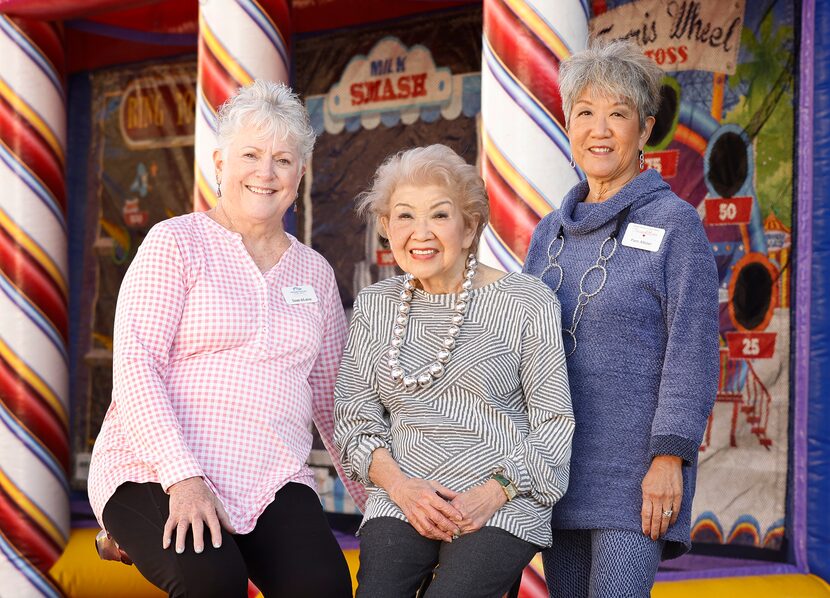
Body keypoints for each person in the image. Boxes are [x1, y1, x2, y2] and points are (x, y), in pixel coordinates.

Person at [87, 79, 366, 598]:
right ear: (219, 163)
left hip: (269, 475)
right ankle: (127, 527)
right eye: (251, 155)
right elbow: (135, 365)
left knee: (324, 587)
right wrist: (183, 479)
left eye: (283, 160)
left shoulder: (316, 272)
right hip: (154, 466)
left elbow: (336, 402)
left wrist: (378, 502)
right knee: (211, 581)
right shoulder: (176, 242)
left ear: (300, 174)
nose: (266, 172)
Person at [522, 40, 720, 597]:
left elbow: (694, 349)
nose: (600, 129)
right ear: (568, 127)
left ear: (645, 128)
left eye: (618, 113)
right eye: (585, 112)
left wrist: (670, 457)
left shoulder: (676, 225)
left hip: (635, 477)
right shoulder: (547, 235)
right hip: (556, 472)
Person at [334, 144, 575, 597]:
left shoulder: (527, 301)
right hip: (405, 494)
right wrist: (403, 489)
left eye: (439, 216)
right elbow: (354, 419)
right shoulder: (375, 305)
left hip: (501, 495)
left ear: (470, 228)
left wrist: (493, 492)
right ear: (386, 228)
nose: (420, 233)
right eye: (404, 216)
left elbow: (553, 425)